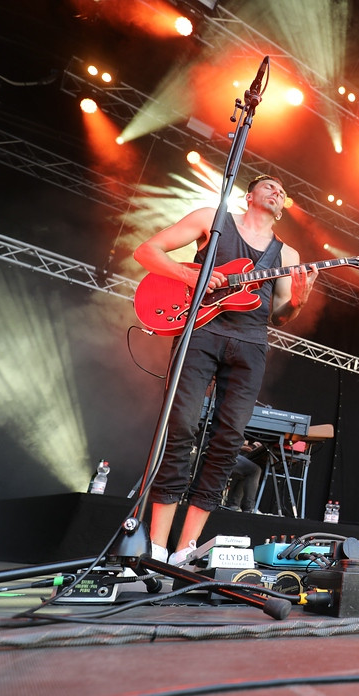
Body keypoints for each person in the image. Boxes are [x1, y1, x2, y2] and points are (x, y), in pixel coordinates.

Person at [134, 175, 318, 565]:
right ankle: (155, 544)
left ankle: (184, 548)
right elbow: (146, 252)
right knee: (181, 426)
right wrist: (192, 275)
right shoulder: (213, 219)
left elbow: (280, 316)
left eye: (284, 191)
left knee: (228, 440)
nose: (278, 192)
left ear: (283, 208)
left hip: (250, 345)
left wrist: (300, 300)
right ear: (249, 195)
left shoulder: (287, 256)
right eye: (270, 186)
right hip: (201, 331)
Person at [222, 440, 265, 513]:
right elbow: (227, 438)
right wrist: (246, 444)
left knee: (247, 468)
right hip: (221, 452)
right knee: (255, 470)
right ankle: (249, 508)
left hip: (225, 450)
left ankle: (234, 505)